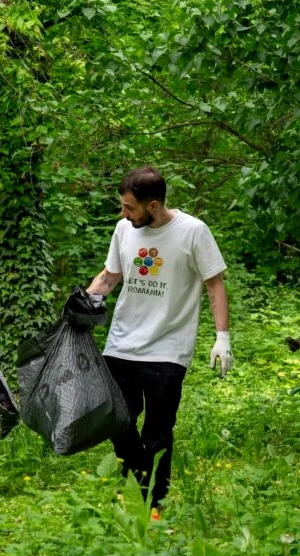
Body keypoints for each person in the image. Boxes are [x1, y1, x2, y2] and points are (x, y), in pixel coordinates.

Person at [86, 166, 233, 513]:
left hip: (168, 348)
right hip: (122, 343)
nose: (123, 213)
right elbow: (111, 275)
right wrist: (87, 299)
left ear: (152, 205)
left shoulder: (193, 231)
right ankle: (139, 481)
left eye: (129, 207)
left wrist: (222, 337)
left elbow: (214, 283)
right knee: (117, 420)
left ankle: (155, 502)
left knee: (158, 430)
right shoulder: (124, 230)